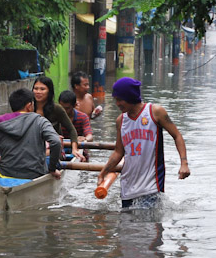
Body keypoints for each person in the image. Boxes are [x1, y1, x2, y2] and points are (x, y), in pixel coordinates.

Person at [97, 77, 190, 208]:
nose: (117, 103)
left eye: (120, 100)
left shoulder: (155, 112)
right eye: (116, 100)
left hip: (151, 186)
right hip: (127, 187)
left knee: (149, 226)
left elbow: (177, 136)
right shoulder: (121, 121)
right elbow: (118, 152)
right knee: (127, 226)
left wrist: (184, 163)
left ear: (130, 97)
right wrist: (103, 173)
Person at [0, 88, 62, 179]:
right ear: (29, 105)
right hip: (35, 174)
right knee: (55, 162)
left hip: (6, 174)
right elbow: (56, 142)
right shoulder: (40, 120)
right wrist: (52, 169)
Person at [32, 76, 85, 162]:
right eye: (36, 89)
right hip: (32, 148)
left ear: (49, 91)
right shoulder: (28, 108)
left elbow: (71, 130)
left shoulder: (56, 109)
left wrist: (74, 149)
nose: (38, 92)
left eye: (42, 89)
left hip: (53, 149)